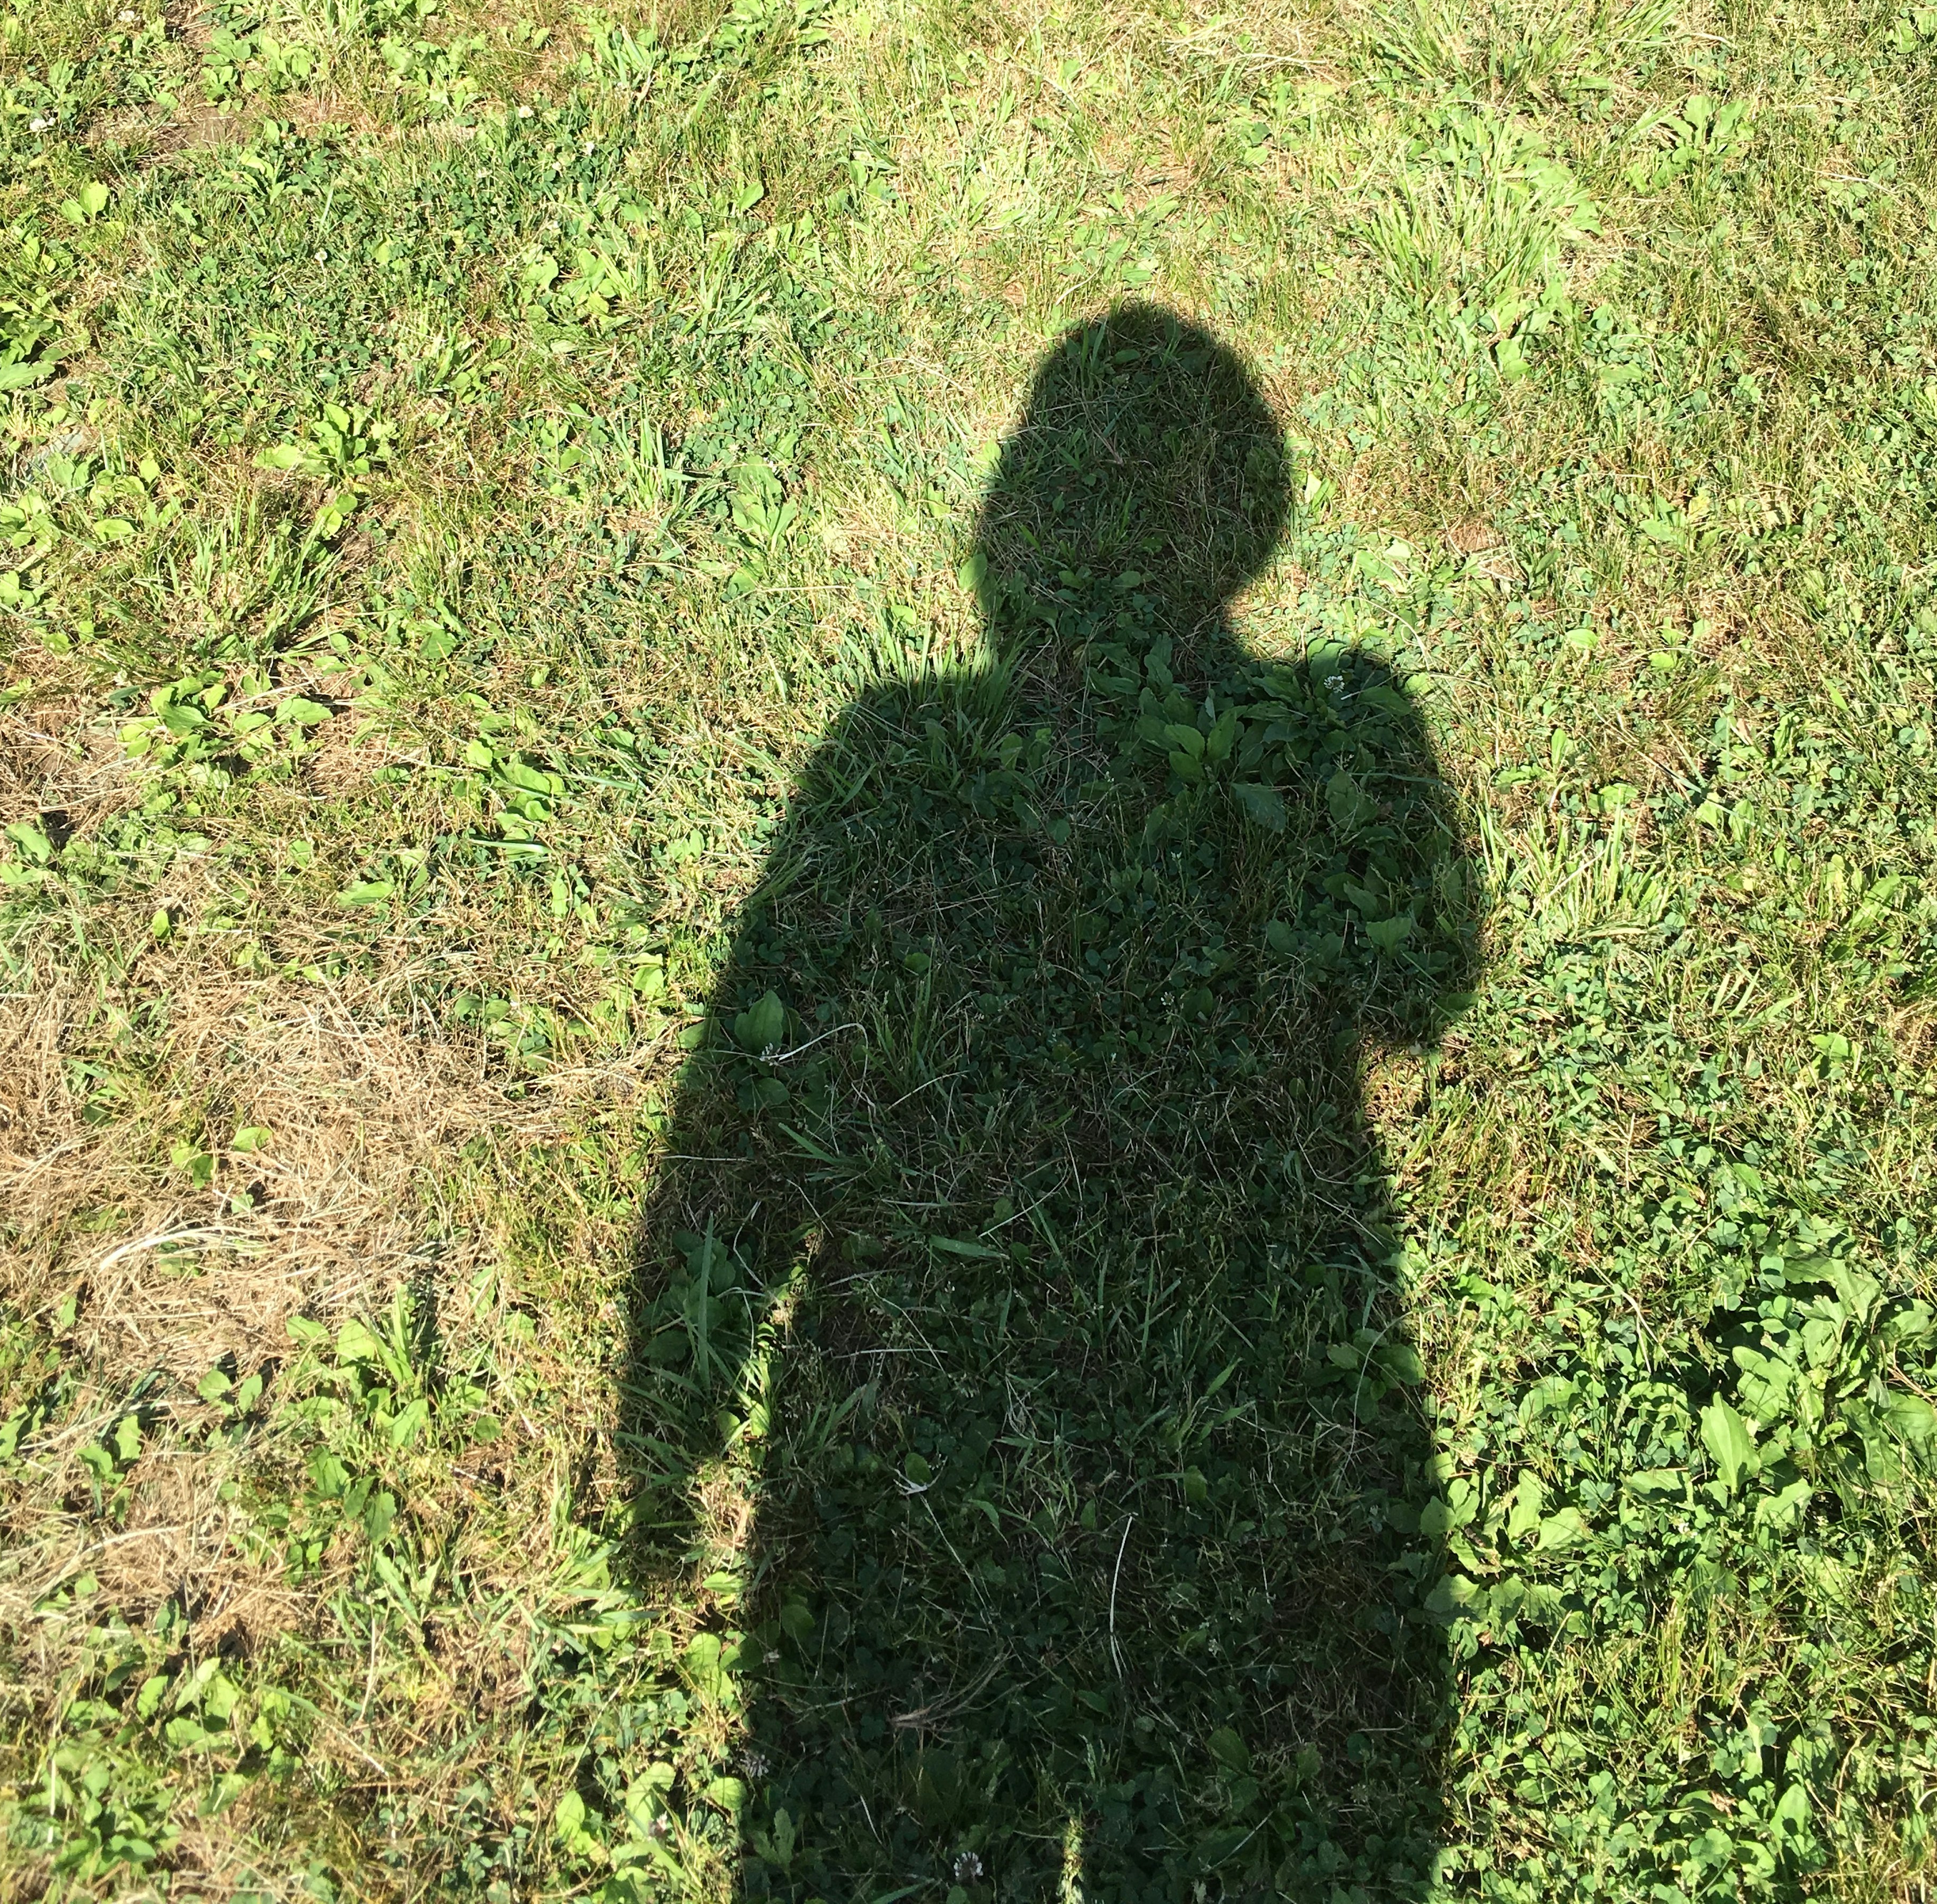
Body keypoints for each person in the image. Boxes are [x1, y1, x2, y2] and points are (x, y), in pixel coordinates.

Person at [620, 304, 1478, 1901]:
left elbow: (752, 1090)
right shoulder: (1335, 722)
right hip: (1256, 1364)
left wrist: (670, 1423)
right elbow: (1423, 984)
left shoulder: (897, 751)